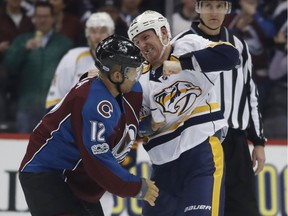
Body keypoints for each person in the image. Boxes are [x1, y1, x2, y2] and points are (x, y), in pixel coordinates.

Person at [18, 34, 159, 216]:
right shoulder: (91, 102)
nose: (136, 76)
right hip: (47, 174)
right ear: (117, 75)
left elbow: (120, 126)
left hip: (74, 176)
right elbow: (98, 161)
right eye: (133, 71)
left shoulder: (128, 89)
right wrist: (136, 187)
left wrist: (143, 127)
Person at [128, 10, 240, 215]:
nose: (142, 46)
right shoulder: (138, 79)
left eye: (145, 37)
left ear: (163, 32)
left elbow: (230, 56)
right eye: (136, 42)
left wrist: (183, 64)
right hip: (163, 170)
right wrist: (148, 125)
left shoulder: (186, 44)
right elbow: (134, 127)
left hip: (200, 155)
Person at [177, 0, 266, 215]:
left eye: (219, 6)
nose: (214, 12)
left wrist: (258, 141)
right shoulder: (180, 44)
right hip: (197, 142)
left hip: (235, 143)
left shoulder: (239, 45)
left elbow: (249, 93)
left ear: (227, 8)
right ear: (198, 8)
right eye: (207, 5)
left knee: (243, 209)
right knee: (201, 208)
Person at [45, 11, 116, 216]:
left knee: (103, 190)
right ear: (87, 35)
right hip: (73, 139)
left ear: (111, 34)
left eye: (102, 31)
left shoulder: (124, 61)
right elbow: (54, 102)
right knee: (71, 190)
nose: (97, 35)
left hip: (107, 139)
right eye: (93, 31)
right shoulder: (73, 57)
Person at [3, 1, 73, 133]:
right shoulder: (22, 40)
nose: (42, 20)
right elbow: (9, 65)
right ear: (33, 19)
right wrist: (23, 49)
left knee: (52, 147)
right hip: (26, 105)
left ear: (53, 18)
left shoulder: (64, 43)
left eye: (45, 16)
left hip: (54, 107)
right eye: (38, 16)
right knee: (22, 148)